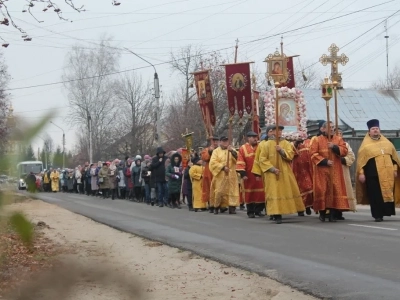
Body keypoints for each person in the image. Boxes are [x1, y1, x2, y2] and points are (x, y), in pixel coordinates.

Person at [258, 125, 305, 224]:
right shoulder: (266, 144)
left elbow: (290, 155)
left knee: (285, 191)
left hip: (284, 171)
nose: (279, 132)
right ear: (273, 131)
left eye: (281, 131)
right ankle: (276, 214)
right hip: (271, 173)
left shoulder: (286, 143)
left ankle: (287, 210)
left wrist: (281, 151)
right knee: (274, 192)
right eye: (277, 130)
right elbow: (262, 159)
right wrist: (272, 169)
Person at [356, 119, 400, 222]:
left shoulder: (387, 143)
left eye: (377, 128)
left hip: (388, 174)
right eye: (373, 129)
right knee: (375, 195)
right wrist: (361, 173)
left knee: (386, 193)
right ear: (369, 131)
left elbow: (395, 159)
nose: (375, 130)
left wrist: (395, 169)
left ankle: (386, 212)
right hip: (373, 175)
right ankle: (377, 215)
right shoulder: (365, 145)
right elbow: (361, 161)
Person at [310, 121, 349, 222]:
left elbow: (344, 151)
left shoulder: (338, 139)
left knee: (334, 190)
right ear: (322, 129)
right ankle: (322, 213)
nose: (331, 129)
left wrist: (334, 147)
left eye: (332, 127)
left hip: (335, 170)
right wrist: (324, 161)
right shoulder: (317, 140)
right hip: (322, 170)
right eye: (329, 127)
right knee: (322, 190)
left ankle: (332, 214)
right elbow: (313, 154)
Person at [236, 131, 265, 218]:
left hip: (260, 174)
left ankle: (258, 210)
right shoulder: (243, 148)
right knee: (250, 193)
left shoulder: (260, 146)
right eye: (252, 137)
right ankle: (250, 211)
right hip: (248, 175)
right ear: (248, 138)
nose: (255, 139)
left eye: (256, 137)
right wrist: (243, 173)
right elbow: (240, 161)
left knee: (261, 193)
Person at [209, 136, 239, 215]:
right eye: (223, 141)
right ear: (220, 142)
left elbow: (238, 159)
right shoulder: (216, 151)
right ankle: (217, 206)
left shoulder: (231, 150)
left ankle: (232, 207)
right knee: (219, 191)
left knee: (232, 191)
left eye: (227, 141)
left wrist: (232, 151)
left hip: (231, 174)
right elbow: (212, 163)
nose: (225, 143)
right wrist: (222, 167)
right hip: (220, 175)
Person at [292, 132, 314, 215]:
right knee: (300, 189)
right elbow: (291, 152)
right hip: (298, 170)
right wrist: (296, 143)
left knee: (310, 187)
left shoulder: (310, 141)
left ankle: (308, 206)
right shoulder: (293, 143)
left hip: (308, 169)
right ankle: (300, 209)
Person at [337, 128, 356, 217]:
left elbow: (351, 156)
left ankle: (340, 210)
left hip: (343, 169)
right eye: (337, 133)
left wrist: (343, 159)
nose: (339, 135)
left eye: (341, 133)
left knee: (343, 190)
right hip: (332, 169)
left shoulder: (346, 145)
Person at [201, 136, 220, 212]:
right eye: (214, 141)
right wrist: (210, 151)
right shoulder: (206, 150)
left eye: (216, 141)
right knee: (209, 188)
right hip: (209, 171)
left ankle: (219, 204)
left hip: (218, 170)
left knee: (218, 188)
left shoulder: (220, 150)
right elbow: (205, 158)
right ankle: (211, 204)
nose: (215, 143)